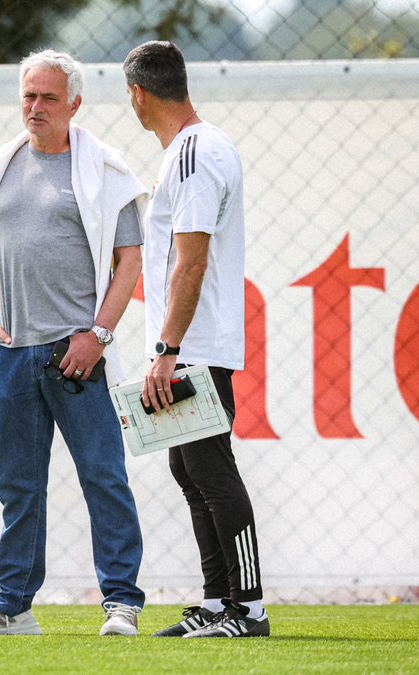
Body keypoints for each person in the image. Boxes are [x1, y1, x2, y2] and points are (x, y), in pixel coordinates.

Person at [0, 49, 147, 637]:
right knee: (18, 483)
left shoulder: (105, 172)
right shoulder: (0, 167)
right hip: (12, 353)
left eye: (48, 98)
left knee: (103, 475)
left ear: (75, 105)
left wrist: (98, 336)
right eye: (28, 96)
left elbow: (130, 261)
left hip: (74, 355)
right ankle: (13, 606)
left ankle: (122, 602)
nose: (35, 108)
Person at [123, 40, 269, 638]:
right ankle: (217, 602)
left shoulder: (193, 153)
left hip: (195, 347)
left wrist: (166, 350)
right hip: (192, 344)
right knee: (190, 470)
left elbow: (192, 261)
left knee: (211, 470)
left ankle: (248, 608)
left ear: (137, 94)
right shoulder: (196, 149)